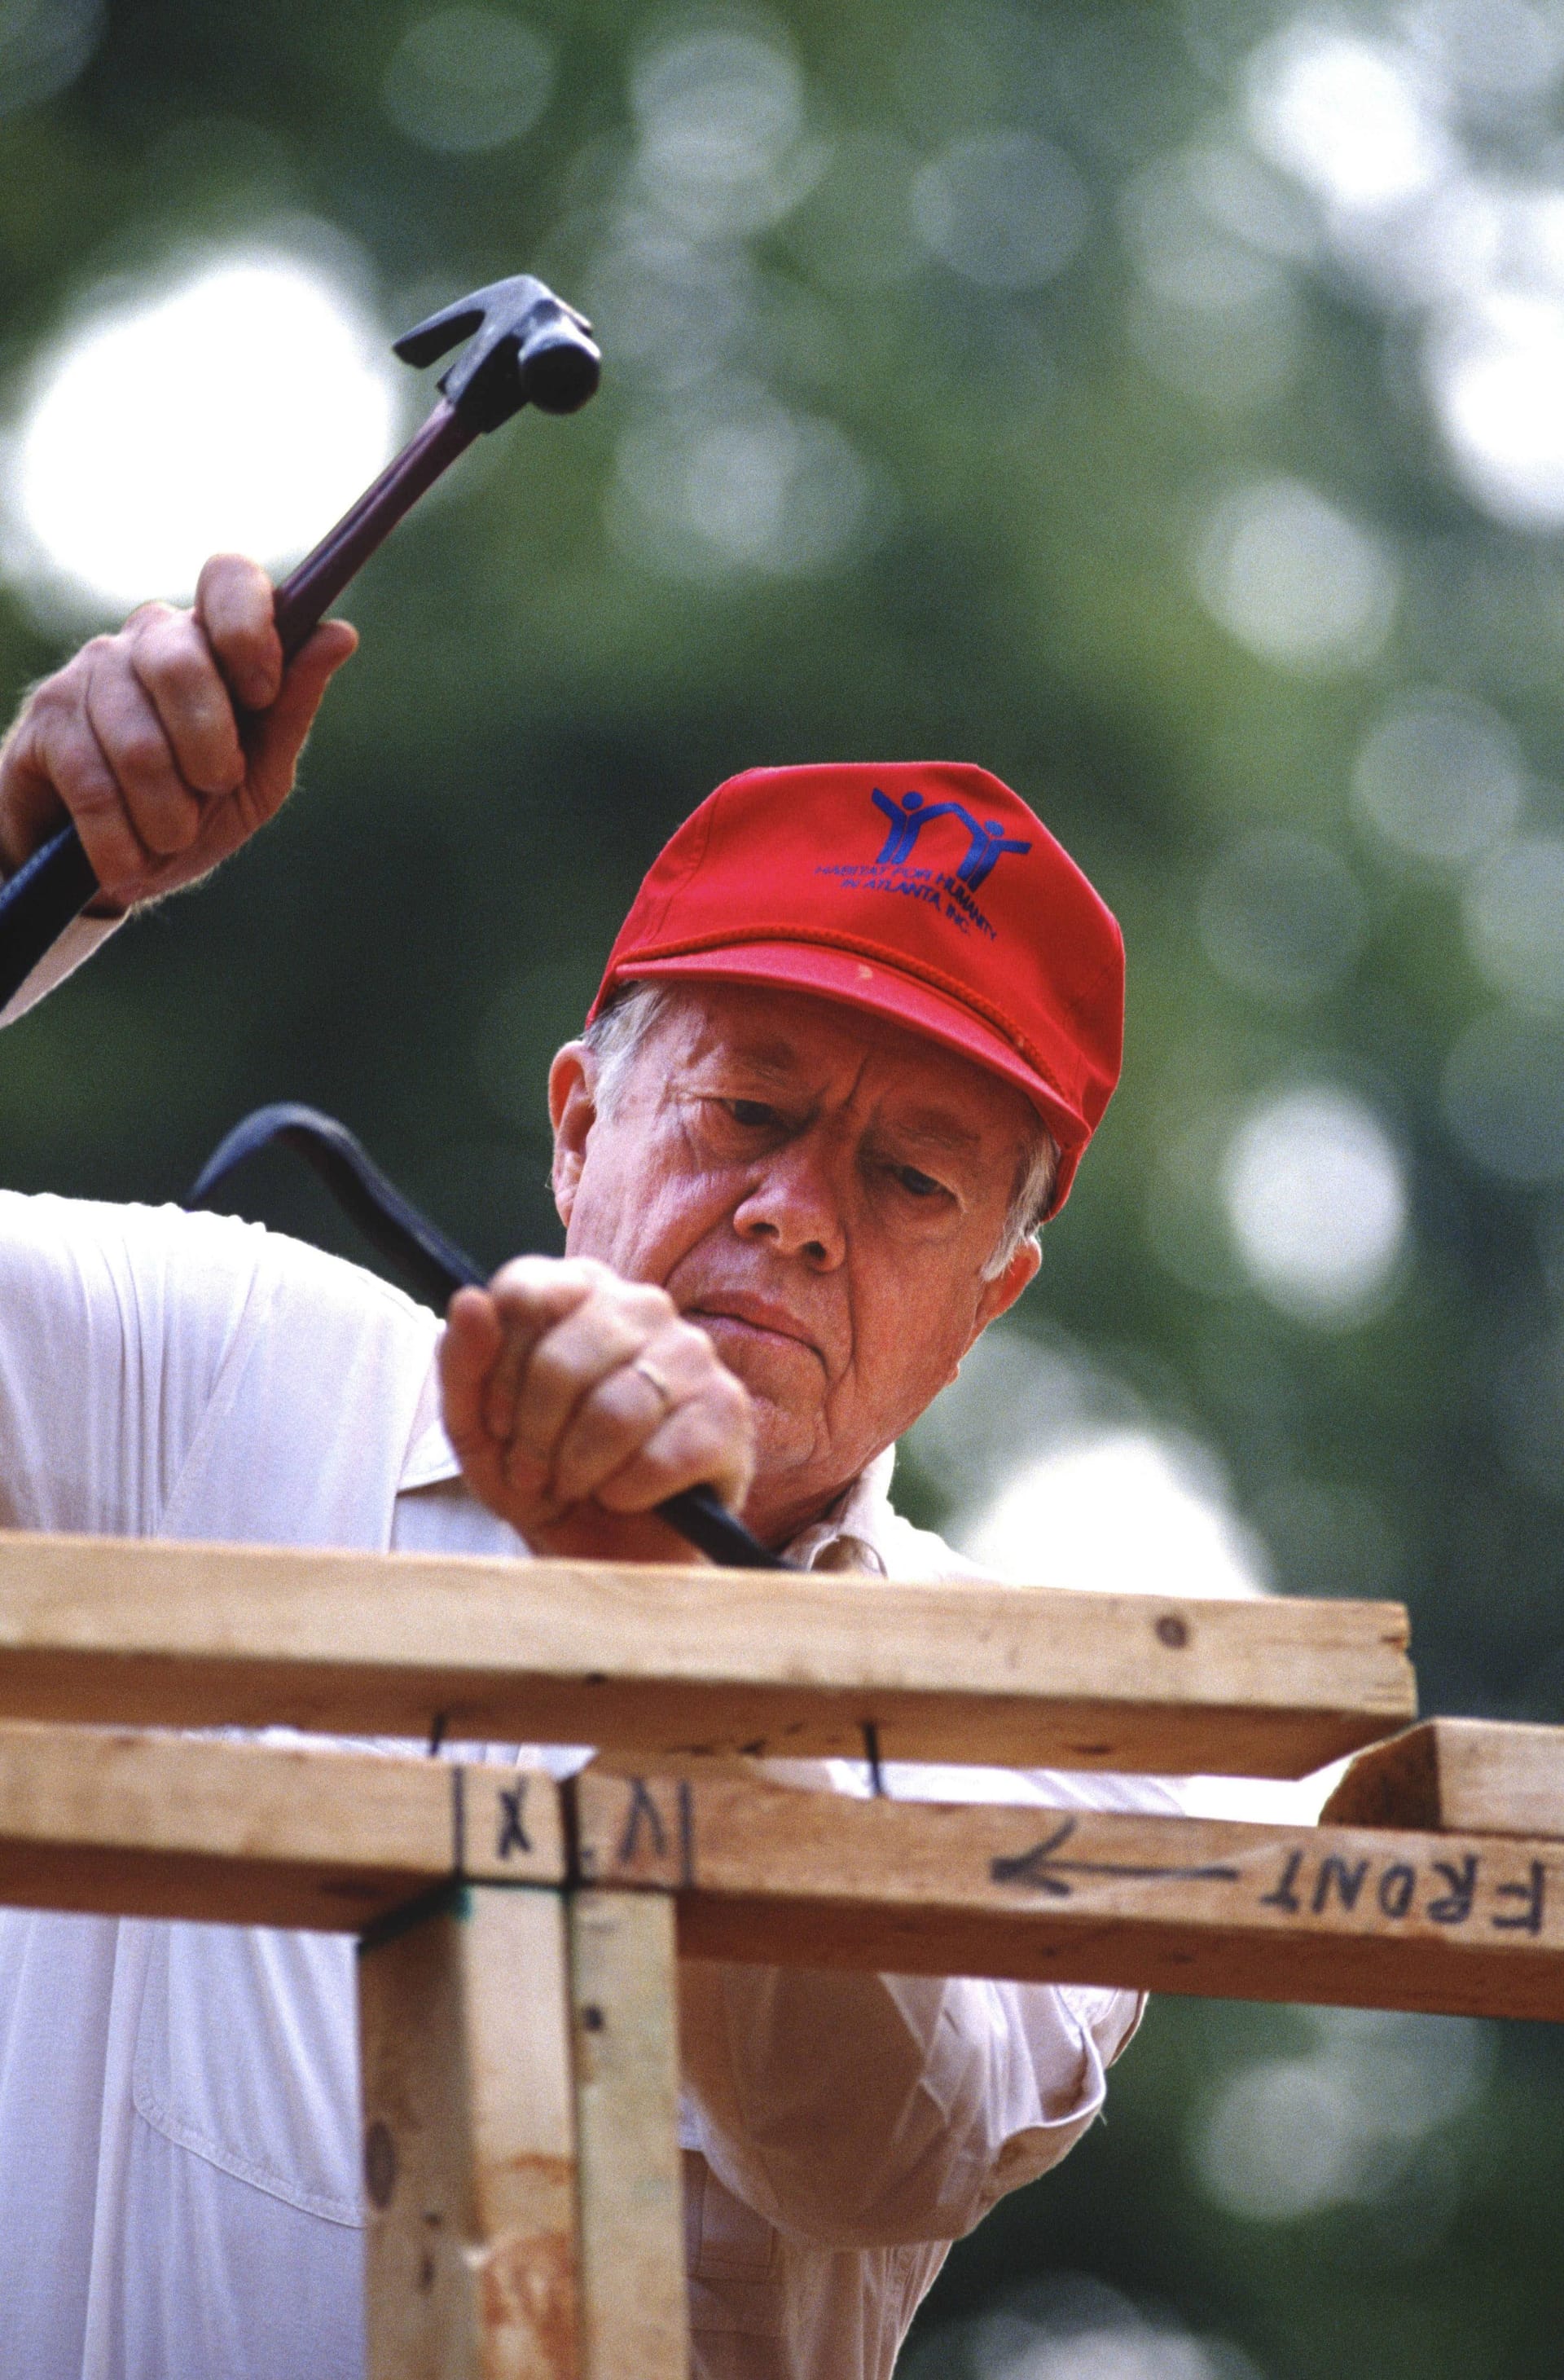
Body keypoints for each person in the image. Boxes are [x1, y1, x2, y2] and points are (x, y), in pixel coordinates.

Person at [0, 557, 1170, 2380]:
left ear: (989, 1300)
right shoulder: (216, 1370)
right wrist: (21, 884)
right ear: (577, 1127)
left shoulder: (1051, 1715)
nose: (793, 1217)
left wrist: (662, 1618)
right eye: (751, 1111)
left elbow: (881, 2146)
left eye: (909, 1181)